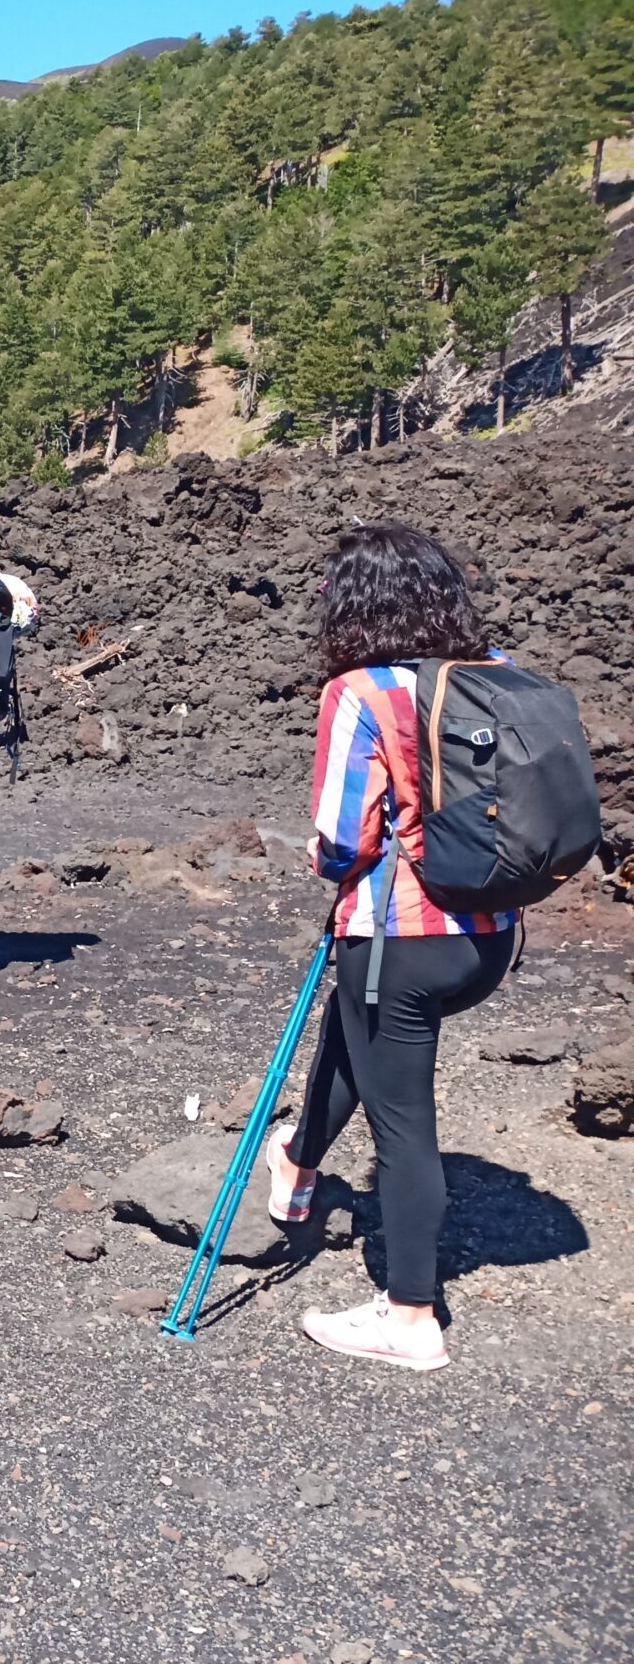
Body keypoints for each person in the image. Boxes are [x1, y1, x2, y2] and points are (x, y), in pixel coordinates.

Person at [267, 524, 520, 1373]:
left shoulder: (362, 691)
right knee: (355, 1043)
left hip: (399, 935)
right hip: (489, 936)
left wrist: (325, 859)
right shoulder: (497, 674)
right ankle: (298, 1167)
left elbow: (345, 839)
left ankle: (410, 1316)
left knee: (403, 1123)